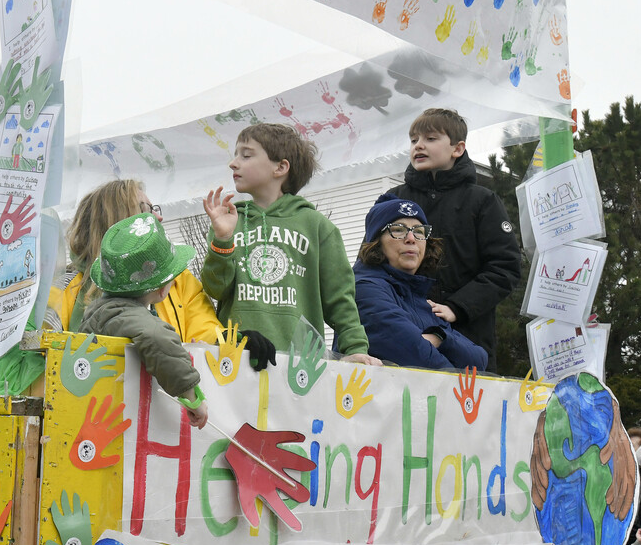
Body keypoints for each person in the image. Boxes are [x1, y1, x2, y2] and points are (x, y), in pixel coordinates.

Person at [200, 123, 378, 369]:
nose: (233, 163)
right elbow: (215, 289)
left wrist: (356, 348)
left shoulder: (317, 226)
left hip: (300, 366)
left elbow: (340, 298)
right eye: (235, 154)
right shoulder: (229, 221)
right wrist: (221, 239)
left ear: (281, 167)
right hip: (237, 358)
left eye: (246, 154)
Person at [390, 108, 523, 358]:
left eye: (430, 139)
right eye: (413, 140)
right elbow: (370, 265)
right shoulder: (392, 200)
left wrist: (457, 307)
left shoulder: (483, 202)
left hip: (467, 340)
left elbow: (505, 268)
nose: (419, 146)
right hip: (402, 335)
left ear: (457, 149)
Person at [76, 214, 207, 428]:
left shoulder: (100, 311)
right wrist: (192, 397)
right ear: (161, 288)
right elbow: (157, 337)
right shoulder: (129, 317)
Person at [51, 180, 223, 342]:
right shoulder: (61, 289)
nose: (158, 217)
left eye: (155, 209)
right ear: (115, 221)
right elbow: (39, 358)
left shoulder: (176, 277)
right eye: (146, 210)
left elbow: (207, 332)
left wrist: (229, 341)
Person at [352, 193, 487, 371]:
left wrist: (439, 337)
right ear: (376, 242)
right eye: (398, 230)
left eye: (419, 231)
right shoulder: (365, 289)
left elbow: (479, 360)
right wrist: (455, 376)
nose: (411, 238)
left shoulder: (422, 301)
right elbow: (419, 357)